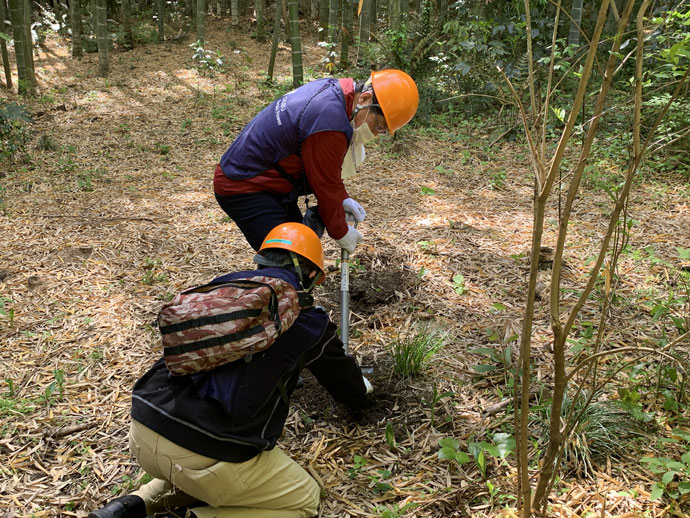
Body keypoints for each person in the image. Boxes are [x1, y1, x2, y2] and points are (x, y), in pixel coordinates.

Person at [89, 223, 373, 518]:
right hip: (205, 450)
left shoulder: (221, 288)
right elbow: (344, 383)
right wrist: (363, 395)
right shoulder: (309, 322)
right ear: (312, 275)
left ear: (261, 260)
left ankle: (129, 507)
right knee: (303, 499)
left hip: (144, 424)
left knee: (194, 468)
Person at [214, 69, 419, 254]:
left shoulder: (337, 90)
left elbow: (326, 173)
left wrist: (342, 199)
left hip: (268, 181)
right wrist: (340, 232)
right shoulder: (330, 123)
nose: (375, 133)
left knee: (302, 249)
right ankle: (267, 293)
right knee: (291, 259)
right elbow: (324, 183)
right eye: (379, 125)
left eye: (382, 132)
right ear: (365, 99)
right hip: (245, 185)